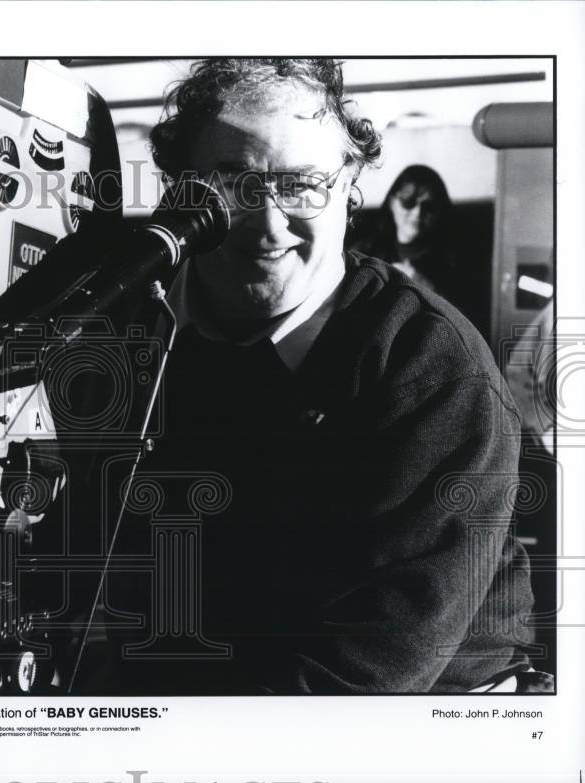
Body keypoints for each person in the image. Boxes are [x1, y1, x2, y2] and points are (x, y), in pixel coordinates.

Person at [89, 58, 538, 694]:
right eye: (234, 184)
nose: (270, 224)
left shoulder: (430, 364)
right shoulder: (129, 333)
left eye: (302, 185)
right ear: (178, 188)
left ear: (350, 183)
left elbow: (372, 665)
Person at [353, 164, 456, 294]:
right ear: (392, 203)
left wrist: (427, 289)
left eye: (429, 207)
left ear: (439, 211)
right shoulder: (363, 252)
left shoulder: (454, 263)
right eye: (408, 202)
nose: (417, 213)